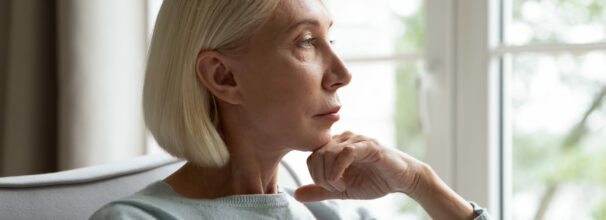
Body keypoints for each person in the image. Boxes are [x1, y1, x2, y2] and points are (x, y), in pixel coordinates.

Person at [91, 0, 492, 219]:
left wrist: (420, 183)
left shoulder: (332, 217)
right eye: (306, 42)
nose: (341, 73)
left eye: (330, 39)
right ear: (223, 76)